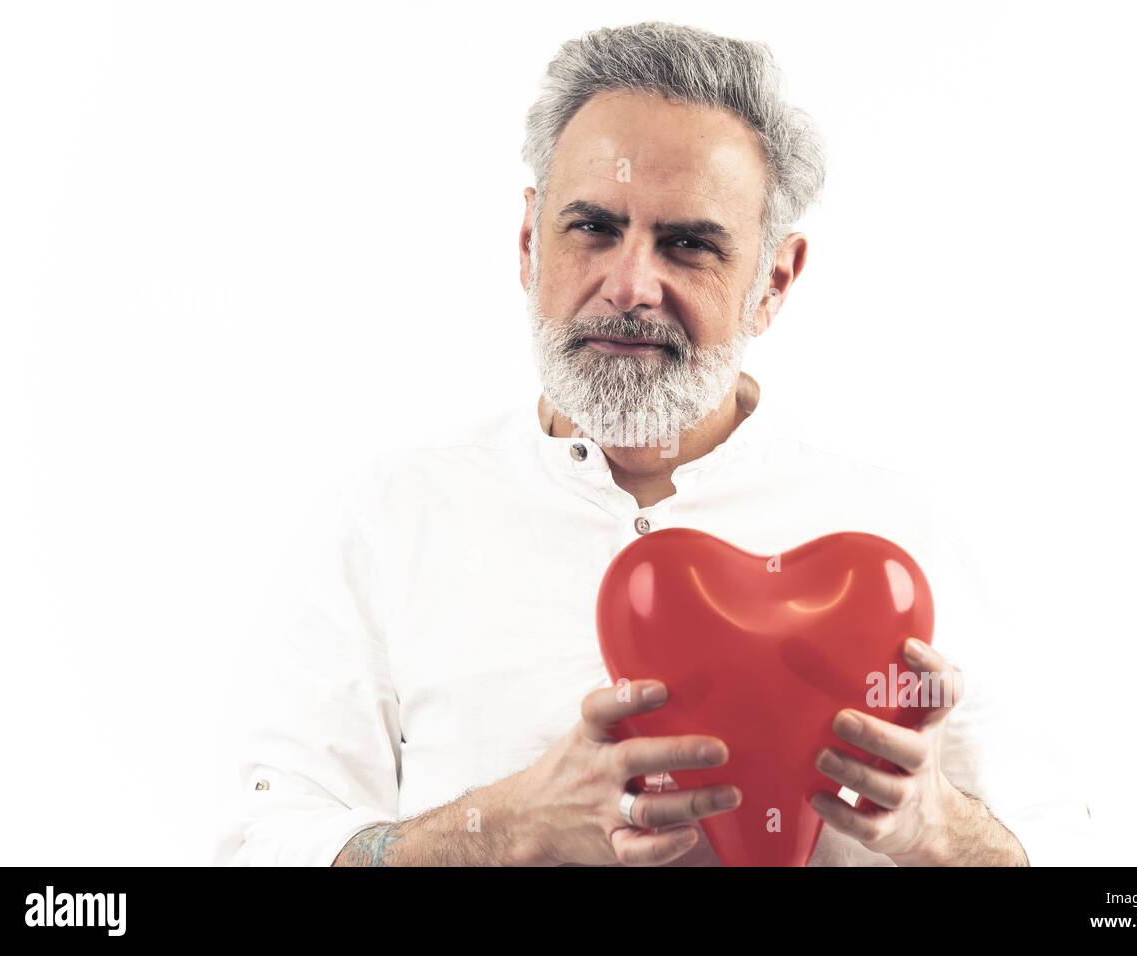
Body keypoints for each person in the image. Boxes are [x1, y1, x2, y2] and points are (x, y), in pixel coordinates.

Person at [214, 20, 1089, 867]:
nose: (631, 287)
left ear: (773, 282)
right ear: (528, 243)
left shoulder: (907, 541)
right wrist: (502, 828)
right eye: (594, 228)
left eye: (689, 245)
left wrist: (945, 834)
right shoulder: (389, 521)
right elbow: (261, 843)